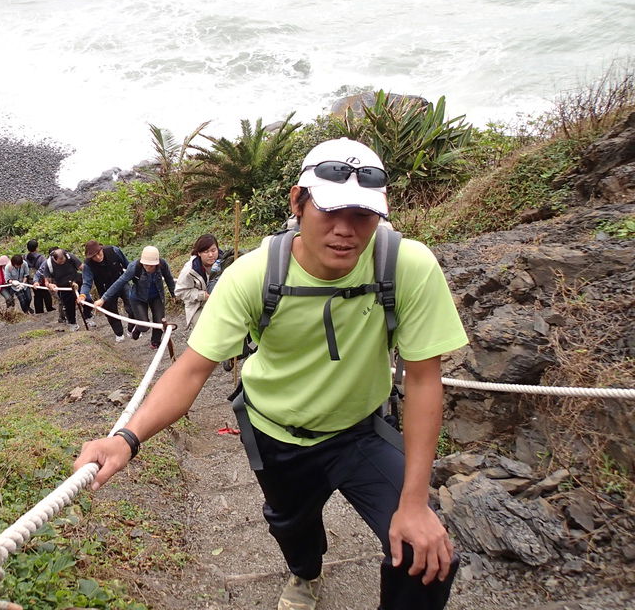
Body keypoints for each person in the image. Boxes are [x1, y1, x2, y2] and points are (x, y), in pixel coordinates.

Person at [75, 138, 469, 610]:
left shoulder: (406, 265)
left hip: (360, 431)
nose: (346, 231)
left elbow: (425, 379)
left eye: (362, 215)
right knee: (291, 525)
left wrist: (415, 503)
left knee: (424, 556)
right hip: (275, 432)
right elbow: (192, 369)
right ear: (297, 202)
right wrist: (126, 438)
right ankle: (306, 574)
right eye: (330, 211)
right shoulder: (253, 275)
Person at [97, 245, 175, 349]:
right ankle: (138, 328)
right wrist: (103, 298)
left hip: (156, 296)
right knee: (144, 326)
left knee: (159, 321)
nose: (148, 268)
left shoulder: (162, 265)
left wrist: (173, 293)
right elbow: (120, 282)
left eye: (151, 266)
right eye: (145, 265)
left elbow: (169, 278)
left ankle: (155, 342)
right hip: (138, 298)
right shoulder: (135, 267)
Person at [79, 240, 134, 343]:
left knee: (133, 305)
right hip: (105, 289)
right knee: (111, 312)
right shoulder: (88, 265)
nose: (98, 257)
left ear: (101, 249)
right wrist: (83, 294)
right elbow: (87, 282)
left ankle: (132, 328)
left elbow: (128, 265)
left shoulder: (113, 250)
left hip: (122, 282)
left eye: (99, 253)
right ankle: (119, 334)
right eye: (94, 256)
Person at [174, 234, 219, 330]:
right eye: (206, 252)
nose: (211, 255)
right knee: (204, 330)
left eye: (213, 250)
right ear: (199, 253)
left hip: (219, 302)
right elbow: (179, 292)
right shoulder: (190, 270)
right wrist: (201, 295)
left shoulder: (224, 262)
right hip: (198, 305)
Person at [34, 248, 84, 331]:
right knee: (69, 306)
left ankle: (88, 316)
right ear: (55, 258)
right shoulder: (48, 264)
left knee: (86, 299)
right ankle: (72, 323)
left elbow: (82, 267)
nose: (63, 262)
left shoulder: (70, 257)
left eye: (63, 259)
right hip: (63, 286)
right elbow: (47, 281)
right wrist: (50, 285)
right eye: (60, 261)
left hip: (76, 282)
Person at [25, 239, 55, 315]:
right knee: (45, 293)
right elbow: (45, 268)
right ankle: (49, 308)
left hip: (31, 279)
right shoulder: (41, 258)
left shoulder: (25, 257)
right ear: (36, 248)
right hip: (41, 278)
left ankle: (39, 310)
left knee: (37, 294)